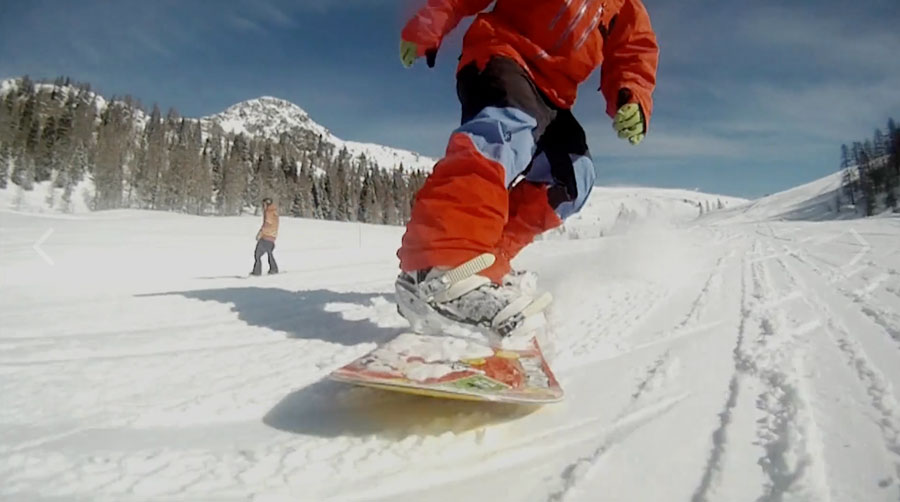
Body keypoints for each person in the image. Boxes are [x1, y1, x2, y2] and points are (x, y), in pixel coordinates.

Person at [394, 0, 659, 338]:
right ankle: (441, 263)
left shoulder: (625, 6)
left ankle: (485, 261)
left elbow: (634, 50)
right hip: (503, 54)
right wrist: (429, 24)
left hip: (554, 96)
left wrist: (633, 96)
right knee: (506, 130)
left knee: (574, 177)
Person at [251, 197, 279, 276]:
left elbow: (267, 224)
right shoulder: (274, 211)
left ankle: (257, 272)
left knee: (257, 254)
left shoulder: (269, 212)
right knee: (269, 253)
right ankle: (273, 269)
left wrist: (260, 233)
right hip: (272, 237)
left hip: (266, 236)